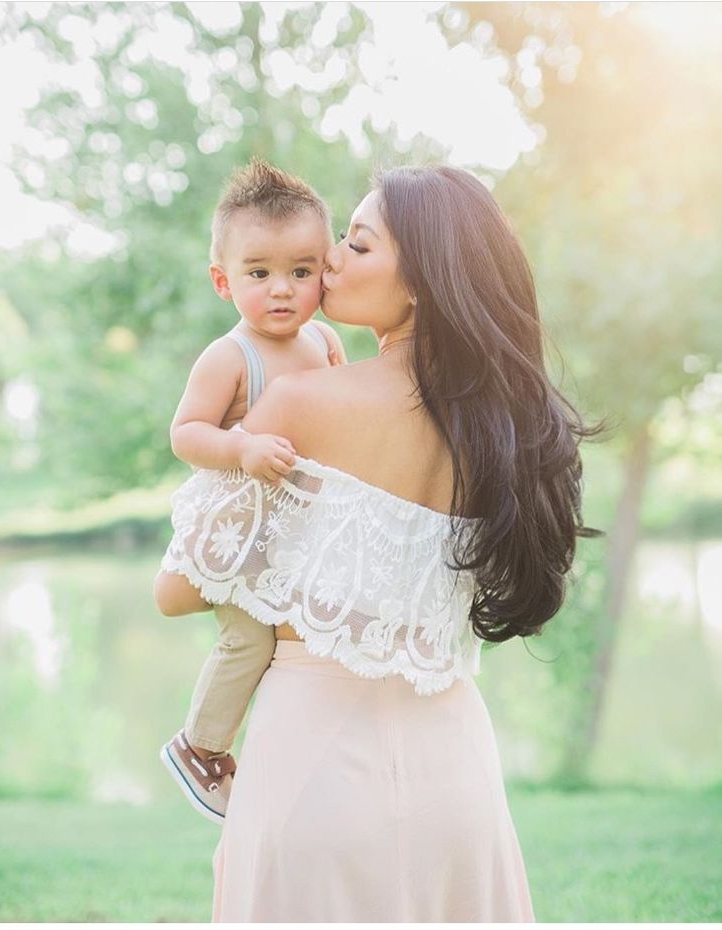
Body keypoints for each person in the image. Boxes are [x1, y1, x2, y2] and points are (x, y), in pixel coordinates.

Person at [155, 164, 603, 922]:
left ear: (424, 280)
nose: (329, 261)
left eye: (356, 247)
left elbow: (179, 590)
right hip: (457, 773)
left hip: (314, 767)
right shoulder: (505, 433)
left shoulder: (298, 401)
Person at [154, 157, 347, 824]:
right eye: (259, 273)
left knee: (306, 638)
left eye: (301, 270)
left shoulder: (323, 341)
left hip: (289, 530)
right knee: (250, 642)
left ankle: (295, 759)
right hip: (234, 533)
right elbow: (185, 433)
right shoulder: (231, 356)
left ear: (326, 268)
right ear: (222, 280)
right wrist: (240, 446)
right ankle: (200, 745)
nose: (283, 290)